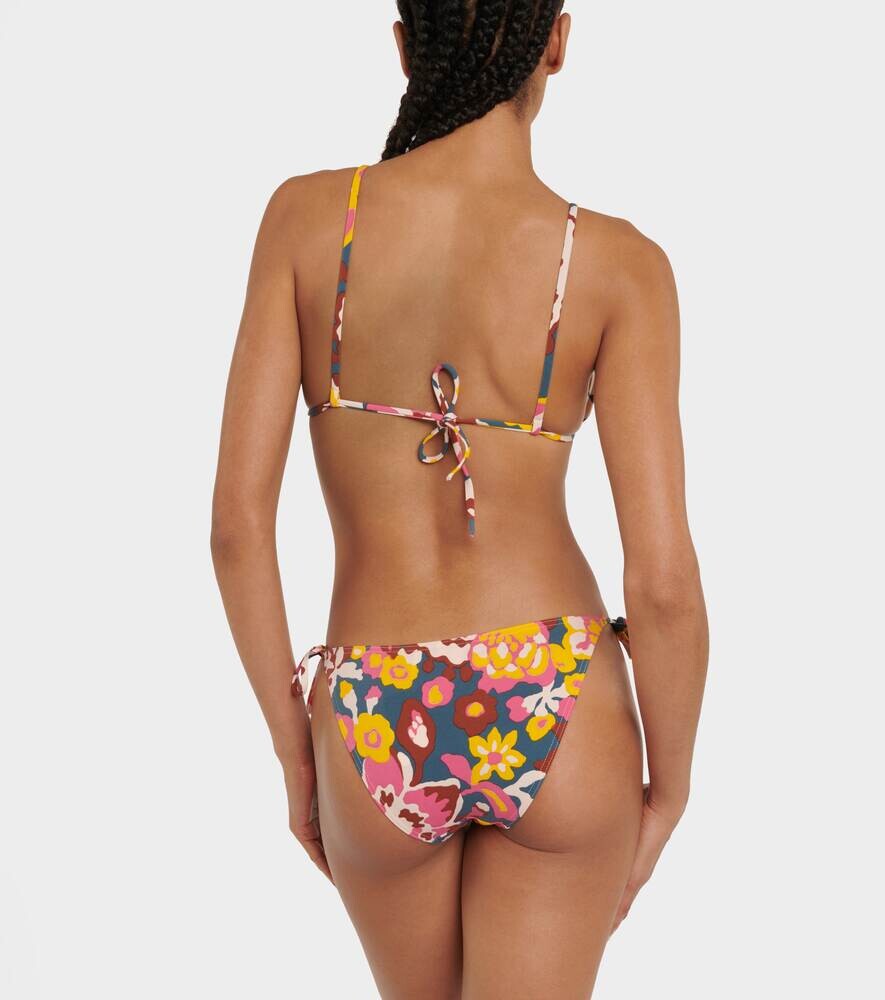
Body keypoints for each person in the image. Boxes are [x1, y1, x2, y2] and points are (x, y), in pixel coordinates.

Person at [211, 3, 708, 996]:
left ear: (406, 46)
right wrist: (671, 790)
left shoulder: (307, 222)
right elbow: (660, 585)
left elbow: (236, 530)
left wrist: (297, 753)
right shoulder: (618, 265)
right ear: (556, 41)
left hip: (373, 704)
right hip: (555, 693)